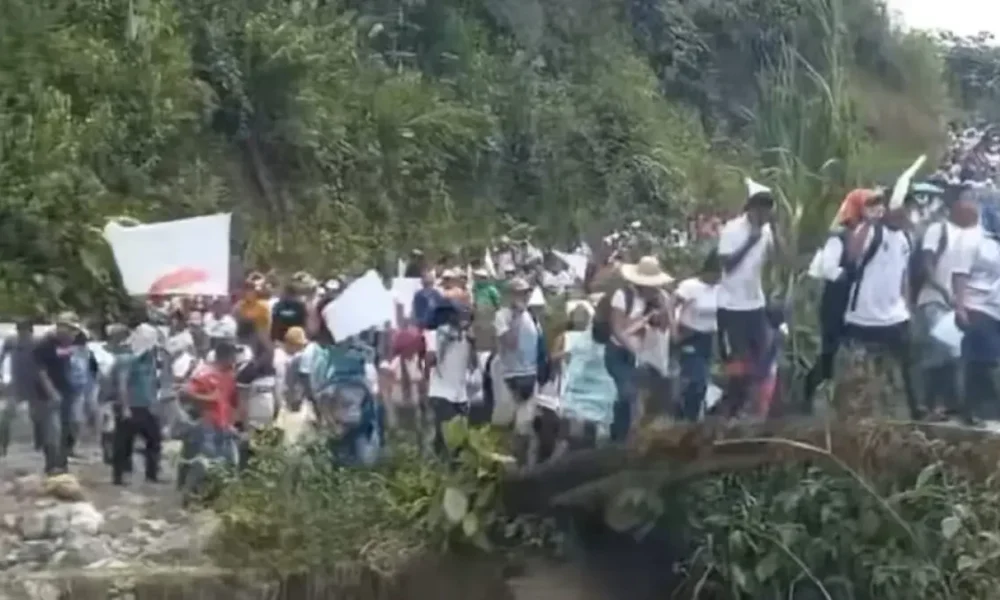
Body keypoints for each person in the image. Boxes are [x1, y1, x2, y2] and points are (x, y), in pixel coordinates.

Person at [841, 191, 921, 419]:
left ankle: (906, 415)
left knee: (901, 370)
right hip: (863, 316)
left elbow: (903, 276)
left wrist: (908, 308)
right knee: (859, 374)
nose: (906, 214)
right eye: (903, 208)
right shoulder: (871, 232)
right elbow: (852, 255)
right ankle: (857, 417)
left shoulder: (905, 238)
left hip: (895, 317)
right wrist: (869, 222)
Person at [913, 184, 981, 419]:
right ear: (954, 204)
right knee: (938, 351)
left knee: (954, 352)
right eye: (967, 199)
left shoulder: (972, 235)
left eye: (974, 199)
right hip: (935, 298)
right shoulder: (938, 229)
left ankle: (948, 404)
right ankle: (929, 405)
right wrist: (943, 291)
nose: (972, 204)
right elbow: (927, 264)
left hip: (957, 303)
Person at [716, 179, 779, 417]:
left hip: (755, 304)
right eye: (761, 211)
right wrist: (750, 242)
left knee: (760, 361)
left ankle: (750, 410)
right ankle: (730, 410)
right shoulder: (732, 230)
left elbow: (781, 259)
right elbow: (727, 265)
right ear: (751, 209)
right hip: (731, 306)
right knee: (737, 364)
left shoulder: (767, 231)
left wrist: (776, 232)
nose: (764, 217)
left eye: (767, 212)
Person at [603, 256, 672, 440]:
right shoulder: (623, 296)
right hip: (620, 352)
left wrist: (663, 308)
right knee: (626, 393)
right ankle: (618, 437)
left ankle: (637, 436)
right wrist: (632, 349)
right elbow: (617, 328)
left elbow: (666, 327)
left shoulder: (662, 297)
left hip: (648, 355)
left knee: (648, 396)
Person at [953, 203, 1000, 423]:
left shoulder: (995, 244)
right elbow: (960, 274)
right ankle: (972, 411)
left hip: (995, 308)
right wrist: (960, 306)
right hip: (976, 306)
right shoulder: (972, 239)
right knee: (980, 360)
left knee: (987, 359)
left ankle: (985, 409)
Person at [493, 277, 540, 462]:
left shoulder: (531, 316)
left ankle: (522, 464)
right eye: (519, 293)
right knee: (503, 424)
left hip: (530, 375)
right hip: (509, 376)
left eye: (526, 293)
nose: (523, 296)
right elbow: (510, 343)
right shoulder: (502, 316)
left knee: (524, 427)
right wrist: (516, 316)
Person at [33, 312, 85, 474]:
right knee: (52, 431)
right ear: (60, 327)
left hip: (67, 390)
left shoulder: (68, 342)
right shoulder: (44, 345)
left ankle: (62, 464)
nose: (72, 335)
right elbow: (40, 372)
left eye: (74, 331)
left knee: (69, 427)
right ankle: (52, 465)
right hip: (47, 393)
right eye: (70, 330)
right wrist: (52, 392)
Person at [111, 323, 162, 485]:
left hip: (145, 406)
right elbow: (122, 384)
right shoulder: (126, 359)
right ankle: (119, 476)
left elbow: (151, 382)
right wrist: (125, 407)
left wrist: (154, 403)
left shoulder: (149, 359)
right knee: (123, 443)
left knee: (154, 439)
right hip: (129, 406)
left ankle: (152, 474)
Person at [673, 253, 721, 421]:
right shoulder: (690, 287)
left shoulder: (721, 289)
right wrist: (674, 329)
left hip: (708, 338)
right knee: (696, 378)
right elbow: (671, 306)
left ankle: (691, 415)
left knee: (703, 380)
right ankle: (686, 413)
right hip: (689, 334)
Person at [426, 299, 476, 456]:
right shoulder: (441, 332)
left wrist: (473, 344)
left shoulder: (467, 337)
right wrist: (447, 342)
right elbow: (431, 358)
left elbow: (473, 365)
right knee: (451, 440)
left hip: (460, 396)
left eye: (468, 317)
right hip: (442, 393)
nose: (465, 320)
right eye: (462, 315)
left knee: (455, 442)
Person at [0, 320, 41, 456]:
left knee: (37, 416)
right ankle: (3, 446)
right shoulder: (12, 342)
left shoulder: (38, 343)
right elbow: (2, 357)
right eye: (20, 332)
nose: (22, 335)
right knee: (5, 417)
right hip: (17, 384)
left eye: (25, 332)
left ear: (30, 332)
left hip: (35, 384)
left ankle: (39, 444)